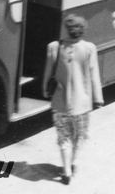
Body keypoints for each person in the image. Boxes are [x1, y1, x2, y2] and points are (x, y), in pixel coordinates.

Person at [43, 14, 104, 185]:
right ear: (83, 31)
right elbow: (94, 75)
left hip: (60, 102)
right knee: (79, 135)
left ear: (67, 29)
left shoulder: (54, 47)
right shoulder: (89, 48)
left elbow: (48, 74)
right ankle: (74, 162)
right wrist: (98, 99)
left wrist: (45, 91)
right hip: (82, 104)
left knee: (64, 137)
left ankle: (67, 172)